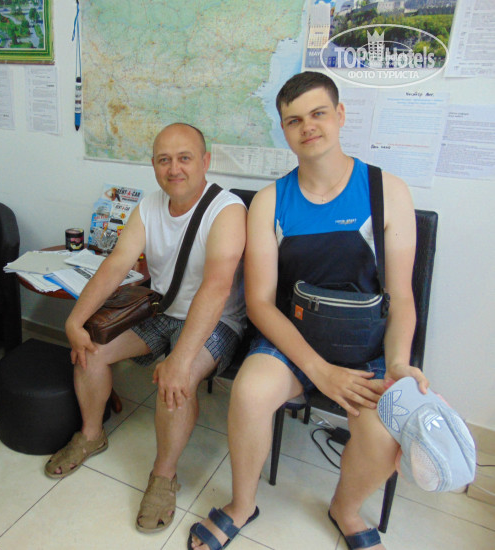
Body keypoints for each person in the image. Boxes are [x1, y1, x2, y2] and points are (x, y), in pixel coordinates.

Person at [189, 72, 429, 550]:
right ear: (284, 130)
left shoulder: (388, 192)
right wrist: (319, 371)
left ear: (340, 115)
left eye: (318, 114)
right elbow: (259, 302)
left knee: (385, 434)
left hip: (365, 350)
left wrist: (398, 364)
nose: (308, 127)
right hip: (291, 343)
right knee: (249, 393)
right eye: (294, 120)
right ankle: (241, 505)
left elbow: (401, 297)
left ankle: (346, 510)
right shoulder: (270, 201)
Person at [45, 122, 247, 533]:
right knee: (90, 352)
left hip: (217, 320)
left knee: (177, 381)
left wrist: (181, 359)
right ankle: (91, 433)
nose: (174, 169)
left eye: (184, 158)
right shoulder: (149, 207)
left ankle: (163, 474)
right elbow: (116, 264)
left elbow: (216, 287)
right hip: (163, 311)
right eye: (163, 160)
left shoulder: (227, 210)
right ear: (154, 165)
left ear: (205, 161)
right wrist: (75, 320)